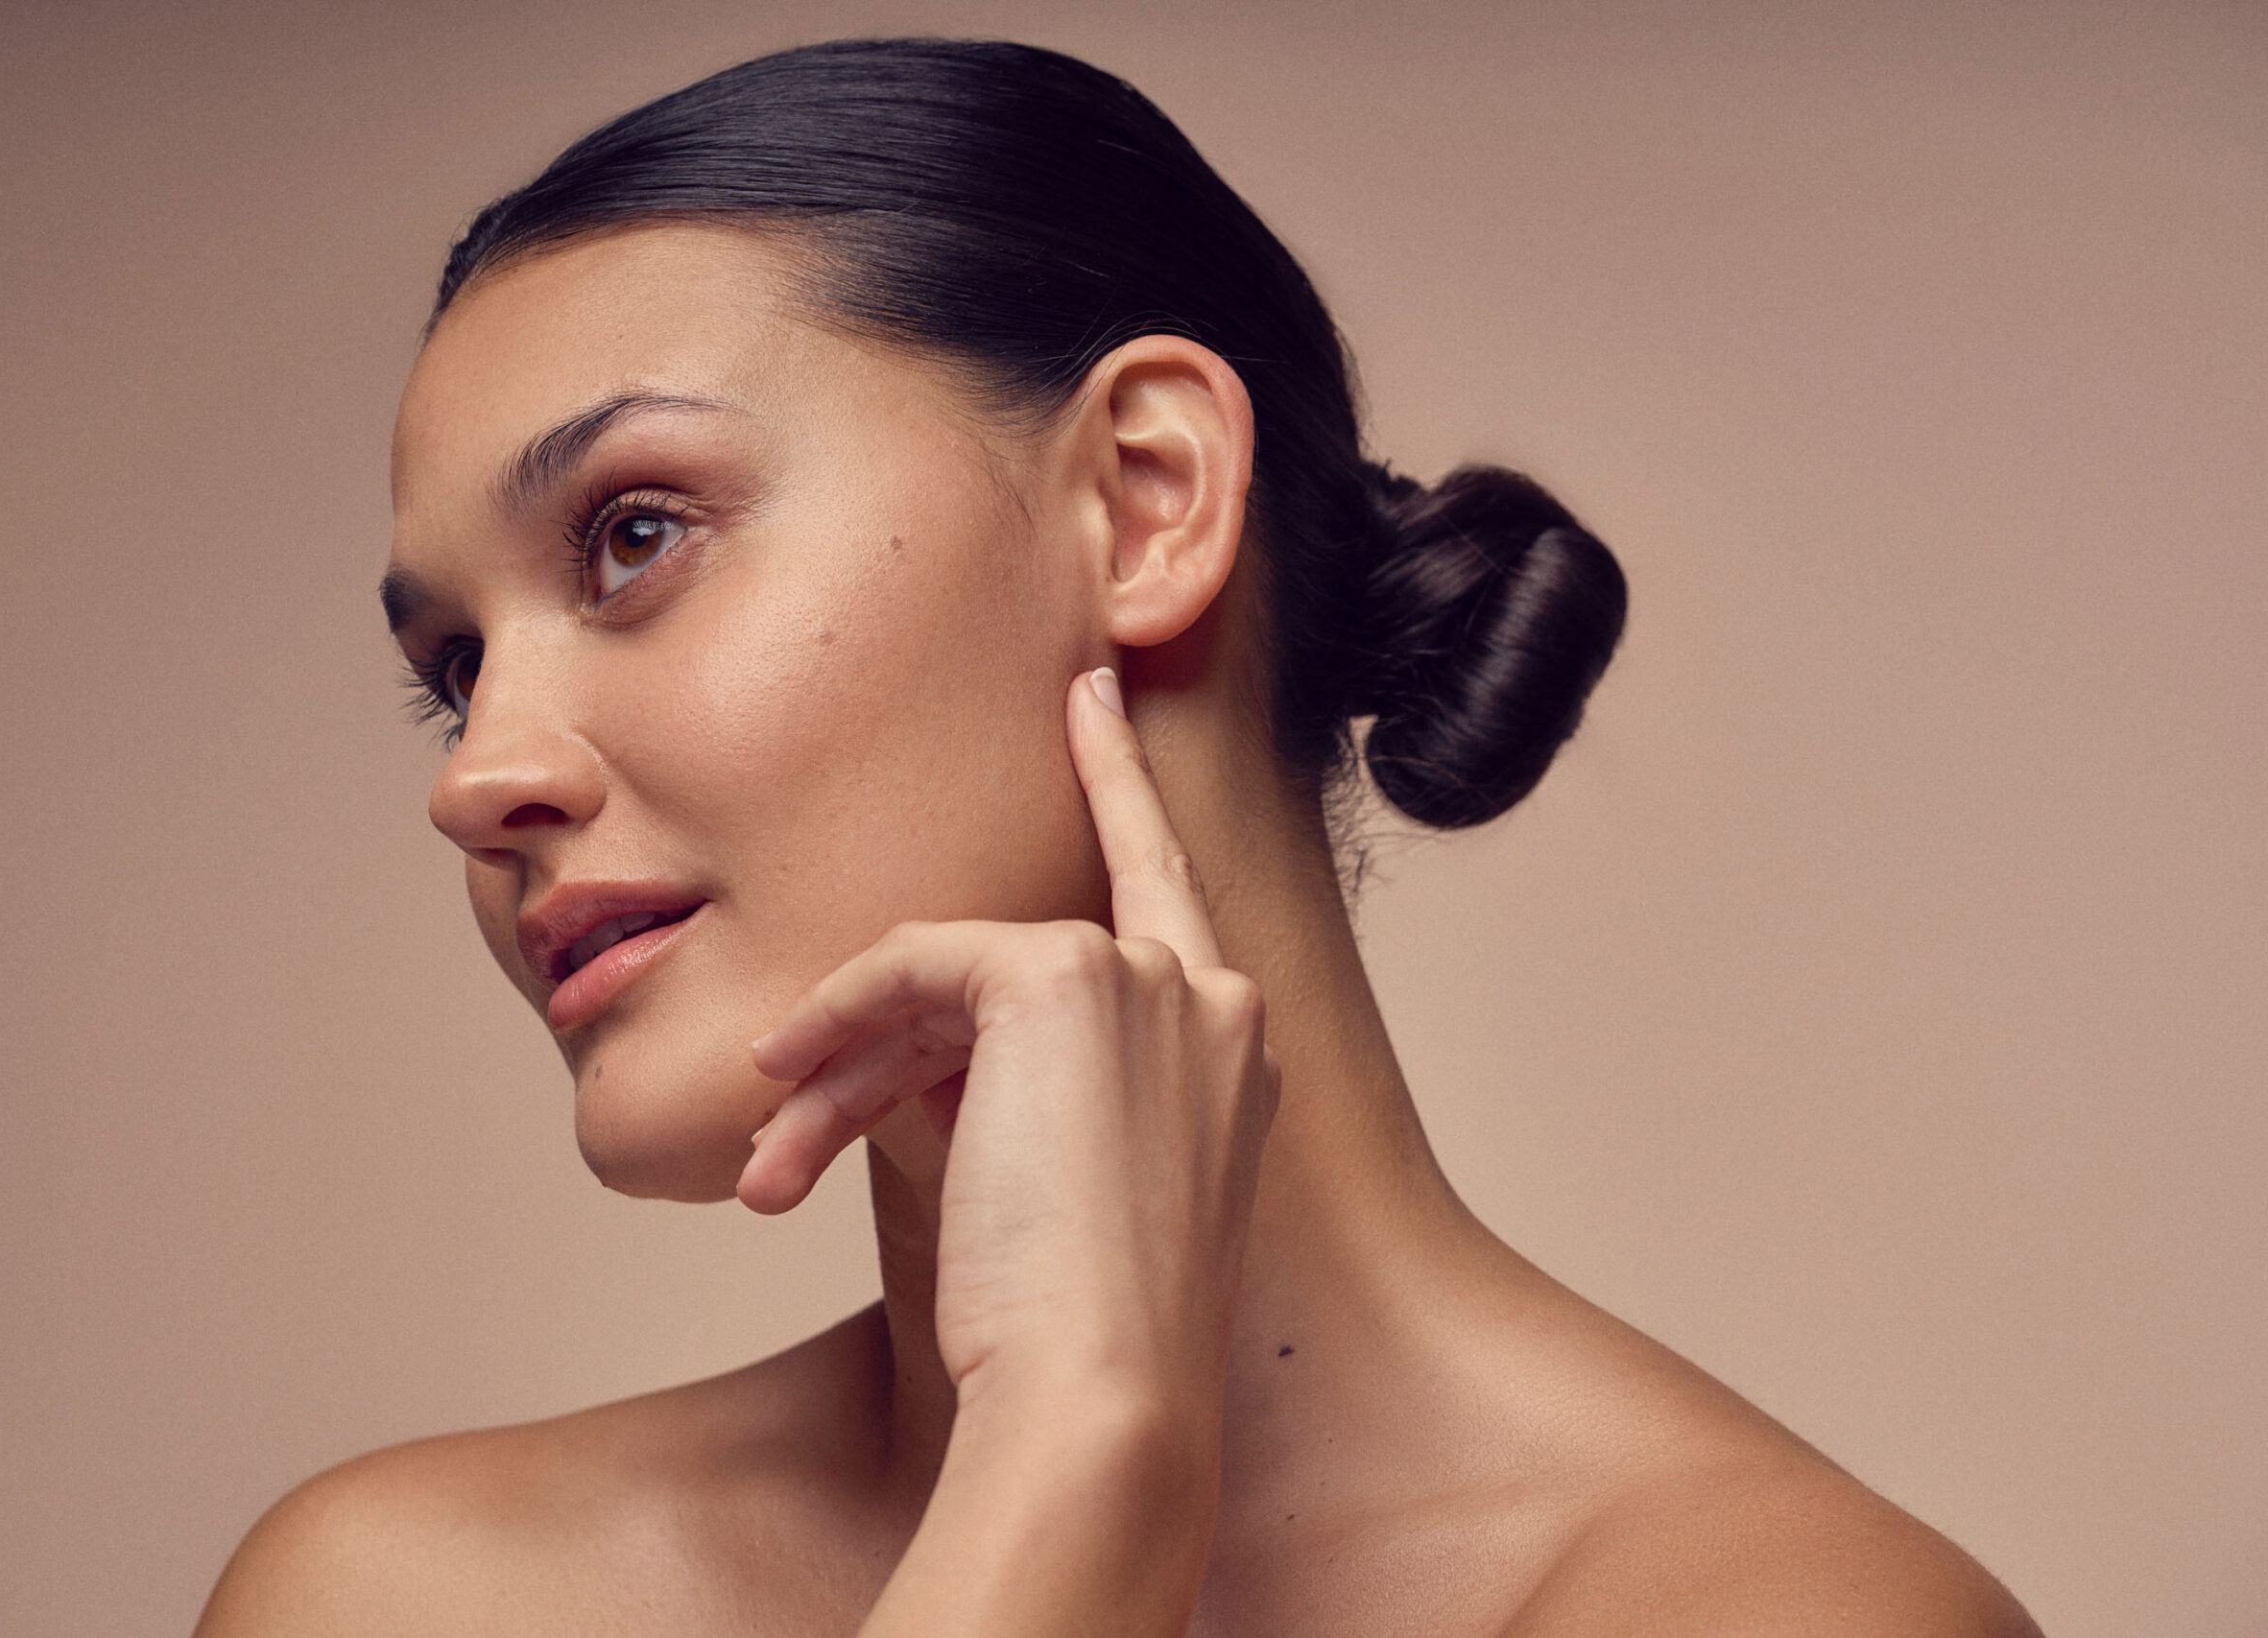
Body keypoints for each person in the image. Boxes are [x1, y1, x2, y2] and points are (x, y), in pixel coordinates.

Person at [196, 37, 2041, 1637]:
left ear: (1146, 501)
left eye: (634, 534)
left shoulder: (1782, 1609)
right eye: (454, 669)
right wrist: (1070, 1474)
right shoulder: (402, 1593)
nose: (475, 778)